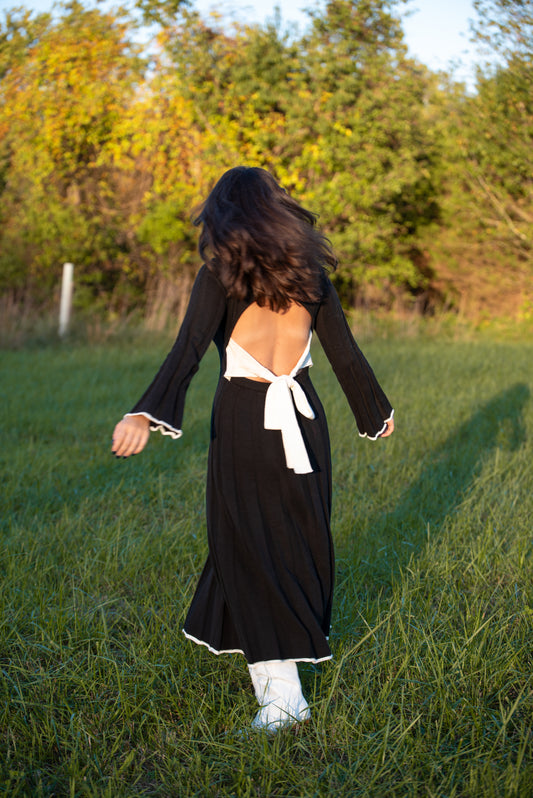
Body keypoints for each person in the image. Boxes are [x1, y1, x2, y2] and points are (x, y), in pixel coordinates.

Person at [112, 166, 394, 732]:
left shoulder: (218, 274)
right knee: (294, 544)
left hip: (245, 420)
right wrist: (375, 413)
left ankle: (282, 703)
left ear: (224, 215)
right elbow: (345, 355)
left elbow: (188, 350)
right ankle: (283, 687)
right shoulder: (311, 275)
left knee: (248, 551)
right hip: (307, 423)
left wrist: (146, 412)